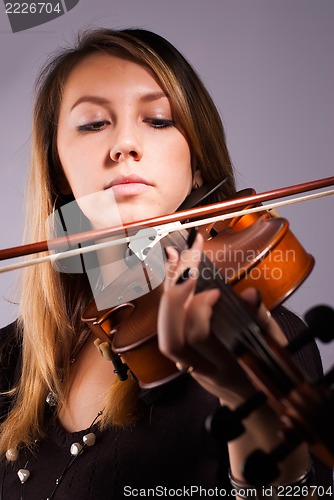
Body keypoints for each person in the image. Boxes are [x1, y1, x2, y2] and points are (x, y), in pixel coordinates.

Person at [0, 28, 332, 499]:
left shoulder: (263, 330)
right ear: (59, 169)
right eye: (94, 123)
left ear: (196, 162)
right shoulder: (11, 357)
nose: (125, 145)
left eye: (157, 120)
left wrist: (251, 404)